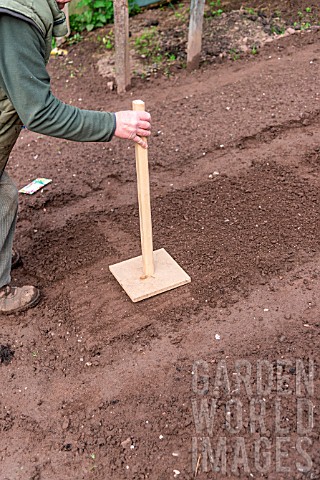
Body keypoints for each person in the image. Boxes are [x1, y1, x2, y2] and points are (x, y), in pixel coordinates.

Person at [0, 0, 151, 315]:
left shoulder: (29, 9)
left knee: (4, 193)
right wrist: (112, 124)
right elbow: (40, 111)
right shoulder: (16, 18)